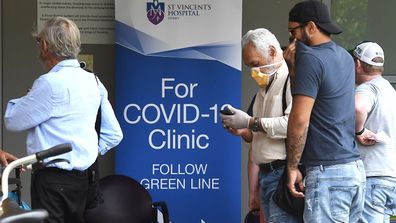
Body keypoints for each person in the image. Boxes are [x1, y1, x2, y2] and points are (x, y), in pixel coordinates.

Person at [4, 17, 123, 223]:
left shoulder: (49, 83)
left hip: (52, 182)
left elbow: (12, 120)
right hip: (84, 182)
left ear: (45, 45)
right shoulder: (93, 81)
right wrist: (85, 151)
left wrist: (29, 95)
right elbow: (114, 135)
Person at [283, 1, 366, 222]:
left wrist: (292, 167)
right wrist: (293, 71)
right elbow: (320, 101)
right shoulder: (345, 58)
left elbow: (300, 119)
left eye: (293, 31)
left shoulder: (310, 57)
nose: (292, 40)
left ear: (310, 27)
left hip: (329, 173)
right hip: (354, 170)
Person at [221, 28, 301, 222]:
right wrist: (243, 131)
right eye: (249, 66)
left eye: (255, 64)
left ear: (273, 52)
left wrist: (249, 122)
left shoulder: (292, 79)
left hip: (283, 173)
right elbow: (259, 134)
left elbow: (293, 125)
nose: (253, 72)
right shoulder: (262, 90)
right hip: (266, 173)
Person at [352, 41, 396, 223]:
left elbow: (358, 107)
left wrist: (358, 131)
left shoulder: (367, 88)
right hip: (391, 175)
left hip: (373, 174)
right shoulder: (390, 90)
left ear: (358, 64)